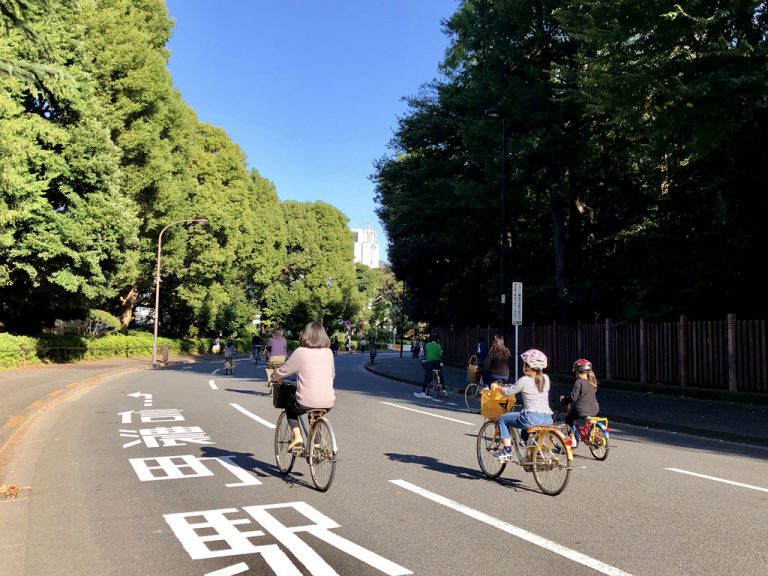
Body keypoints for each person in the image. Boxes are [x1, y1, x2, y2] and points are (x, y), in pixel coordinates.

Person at [270, 321, 335, 452]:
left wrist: (274, 377)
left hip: (305, 401)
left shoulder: (301, 352)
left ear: (306, 335)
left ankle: (297, 438)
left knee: (290, 407)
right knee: (316, 414)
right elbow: (332, 375)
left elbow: (284, 370)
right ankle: (316, 446)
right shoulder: (328, 352)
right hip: (328, 401)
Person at [491, 349, 553, 462]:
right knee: (528, 430)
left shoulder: (524, 380)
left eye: (524, 364)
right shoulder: (546, 379)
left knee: (502, 419)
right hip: (547, 418)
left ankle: (507, 451)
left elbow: (508, 392)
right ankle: (535, 453)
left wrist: (498, 387)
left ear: (528, 366)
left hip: (531, 417)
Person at [559, 358, 600, 448]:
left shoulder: (579, 382)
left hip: (582, 409)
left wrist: (564, 399)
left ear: (578, 371)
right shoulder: (593, 382)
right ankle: (592, 434)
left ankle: (573, 440)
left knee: (569, 419)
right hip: (595, 408)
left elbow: (574, 397)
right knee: (588, 420)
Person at [415, 333, 443, 398]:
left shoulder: (427, 345)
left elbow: (425, 353)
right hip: (436, 363)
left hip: (429, 363)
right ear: (437, 340)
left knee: (426, 376)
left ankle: (423, 391)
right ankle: (439, 382)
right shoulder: (438, 346)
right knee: (438, 371)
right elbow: (440, 355)